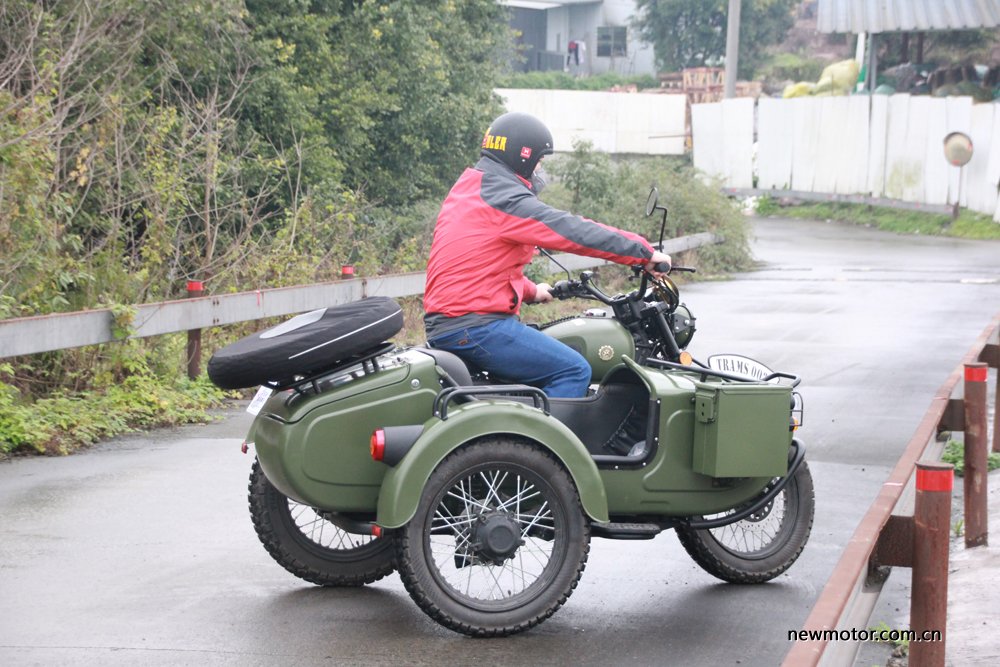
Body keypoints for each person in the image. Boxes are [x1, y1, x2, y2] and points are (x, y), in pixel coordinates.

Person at [422, 111, 671, 398]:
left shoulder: (473, 187)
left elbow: (477, 263)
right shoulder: (504, 197)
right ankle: (542, 429)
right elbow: (570, 230)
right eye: (539, 161)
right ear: (522, 157)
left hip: (455, 322)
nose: (540, 169)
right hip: (475, 326)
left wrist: (531, 291)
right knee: (574, 369)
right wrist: (643, 253)